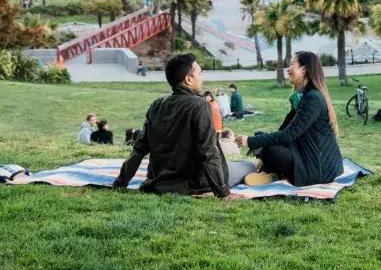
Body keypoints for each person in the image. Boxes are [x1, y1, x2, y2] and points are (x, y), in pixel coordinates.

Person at [114, 54, 244, 198]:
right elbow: (208, 153)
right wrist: (224, 194)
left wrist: (120, 183)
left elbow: (139, 149)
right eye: (199, 73)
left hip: (159, 183)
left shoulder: (156, 105)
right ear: (188, 79)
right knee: (246, 166)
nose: (202, 77)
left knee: (235, 165)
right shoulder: (200, 106)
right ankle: (260, 169)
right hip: (195, 185)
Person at [236, 52, 343, 187]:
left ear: (304, 69)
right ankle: (271, 172)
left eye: (292, 64)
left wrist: (250, 141)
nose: (288, 69)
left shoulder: (313, 98)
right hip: (307, 156)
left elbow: (289, 134)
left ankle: (273, 173)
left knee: (269, 149)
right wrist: (259, 141)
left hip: (320, 168)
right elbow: (284, 130)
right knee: (264, 140)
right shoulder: (303, 96)